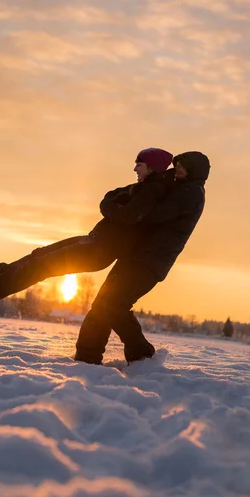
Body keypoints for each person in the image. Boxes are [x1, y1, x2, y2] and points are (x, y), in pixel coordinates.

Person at [0, 147, 174, 308]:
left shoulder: (151, 192)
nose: (135, 167)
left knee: (39, 266)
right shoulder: (142, 188)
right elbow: (111, 196)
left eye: (139, 163)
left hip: (100, 250)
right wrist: (110, 203)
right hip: (94, 241)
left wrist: (109, 206)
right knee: (38, 256)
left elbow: (126, 216)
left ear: (152, 167)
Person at [74, 151, 210, 365]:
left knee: (112, 304)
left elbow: (153, 215)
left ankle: (141, 356)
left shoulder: (191, 192)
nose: (177, 170)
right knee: (104, 303)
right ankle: (87, 356)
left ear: (195, 170)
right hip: (137, 256)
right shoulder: (181, 189)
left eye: (182, 166)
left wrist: (121, 207)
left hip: (149, 261)